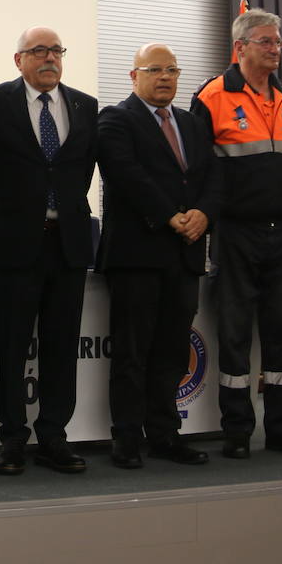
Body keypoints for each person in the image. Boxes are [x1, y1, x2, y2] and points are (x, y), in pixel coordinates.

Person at [190, 10, 282, 460]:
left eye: (279, 42)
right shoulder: (211, 97)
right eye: (266, 41)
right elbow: (200, 170)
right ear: (241, 47)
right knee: (235, 333)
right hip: (235, 232)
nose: (276, 48)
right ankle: (238, 429)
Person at [0, 26, 96, 476]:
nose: (50, 58)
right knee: (12, 345)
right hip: (15, 246)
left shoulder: (84, 105)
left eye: (56, 50)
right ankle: (11, 438)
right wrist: (4, 224)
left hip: (68, 246)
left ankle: (53, 436)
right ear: (18, 59)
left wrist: (58, 214)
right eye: (39, 51)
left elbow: (79, 173)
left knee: (62, 346)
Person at [96, 43, 221, 469]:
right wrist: (172, 216)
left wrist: (204, 213)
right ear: (134, 76)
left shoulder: (190, 122)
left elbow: (213, 175)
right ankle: (127, 438)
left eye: (172, 70)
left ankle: (166, 434)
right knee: (133, 352)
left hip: (185, 254)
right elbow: (127, 175)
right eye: (155, 69)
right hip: (138, 253)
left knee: (172, 351)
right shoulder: (115, 119)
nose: (165, 77)